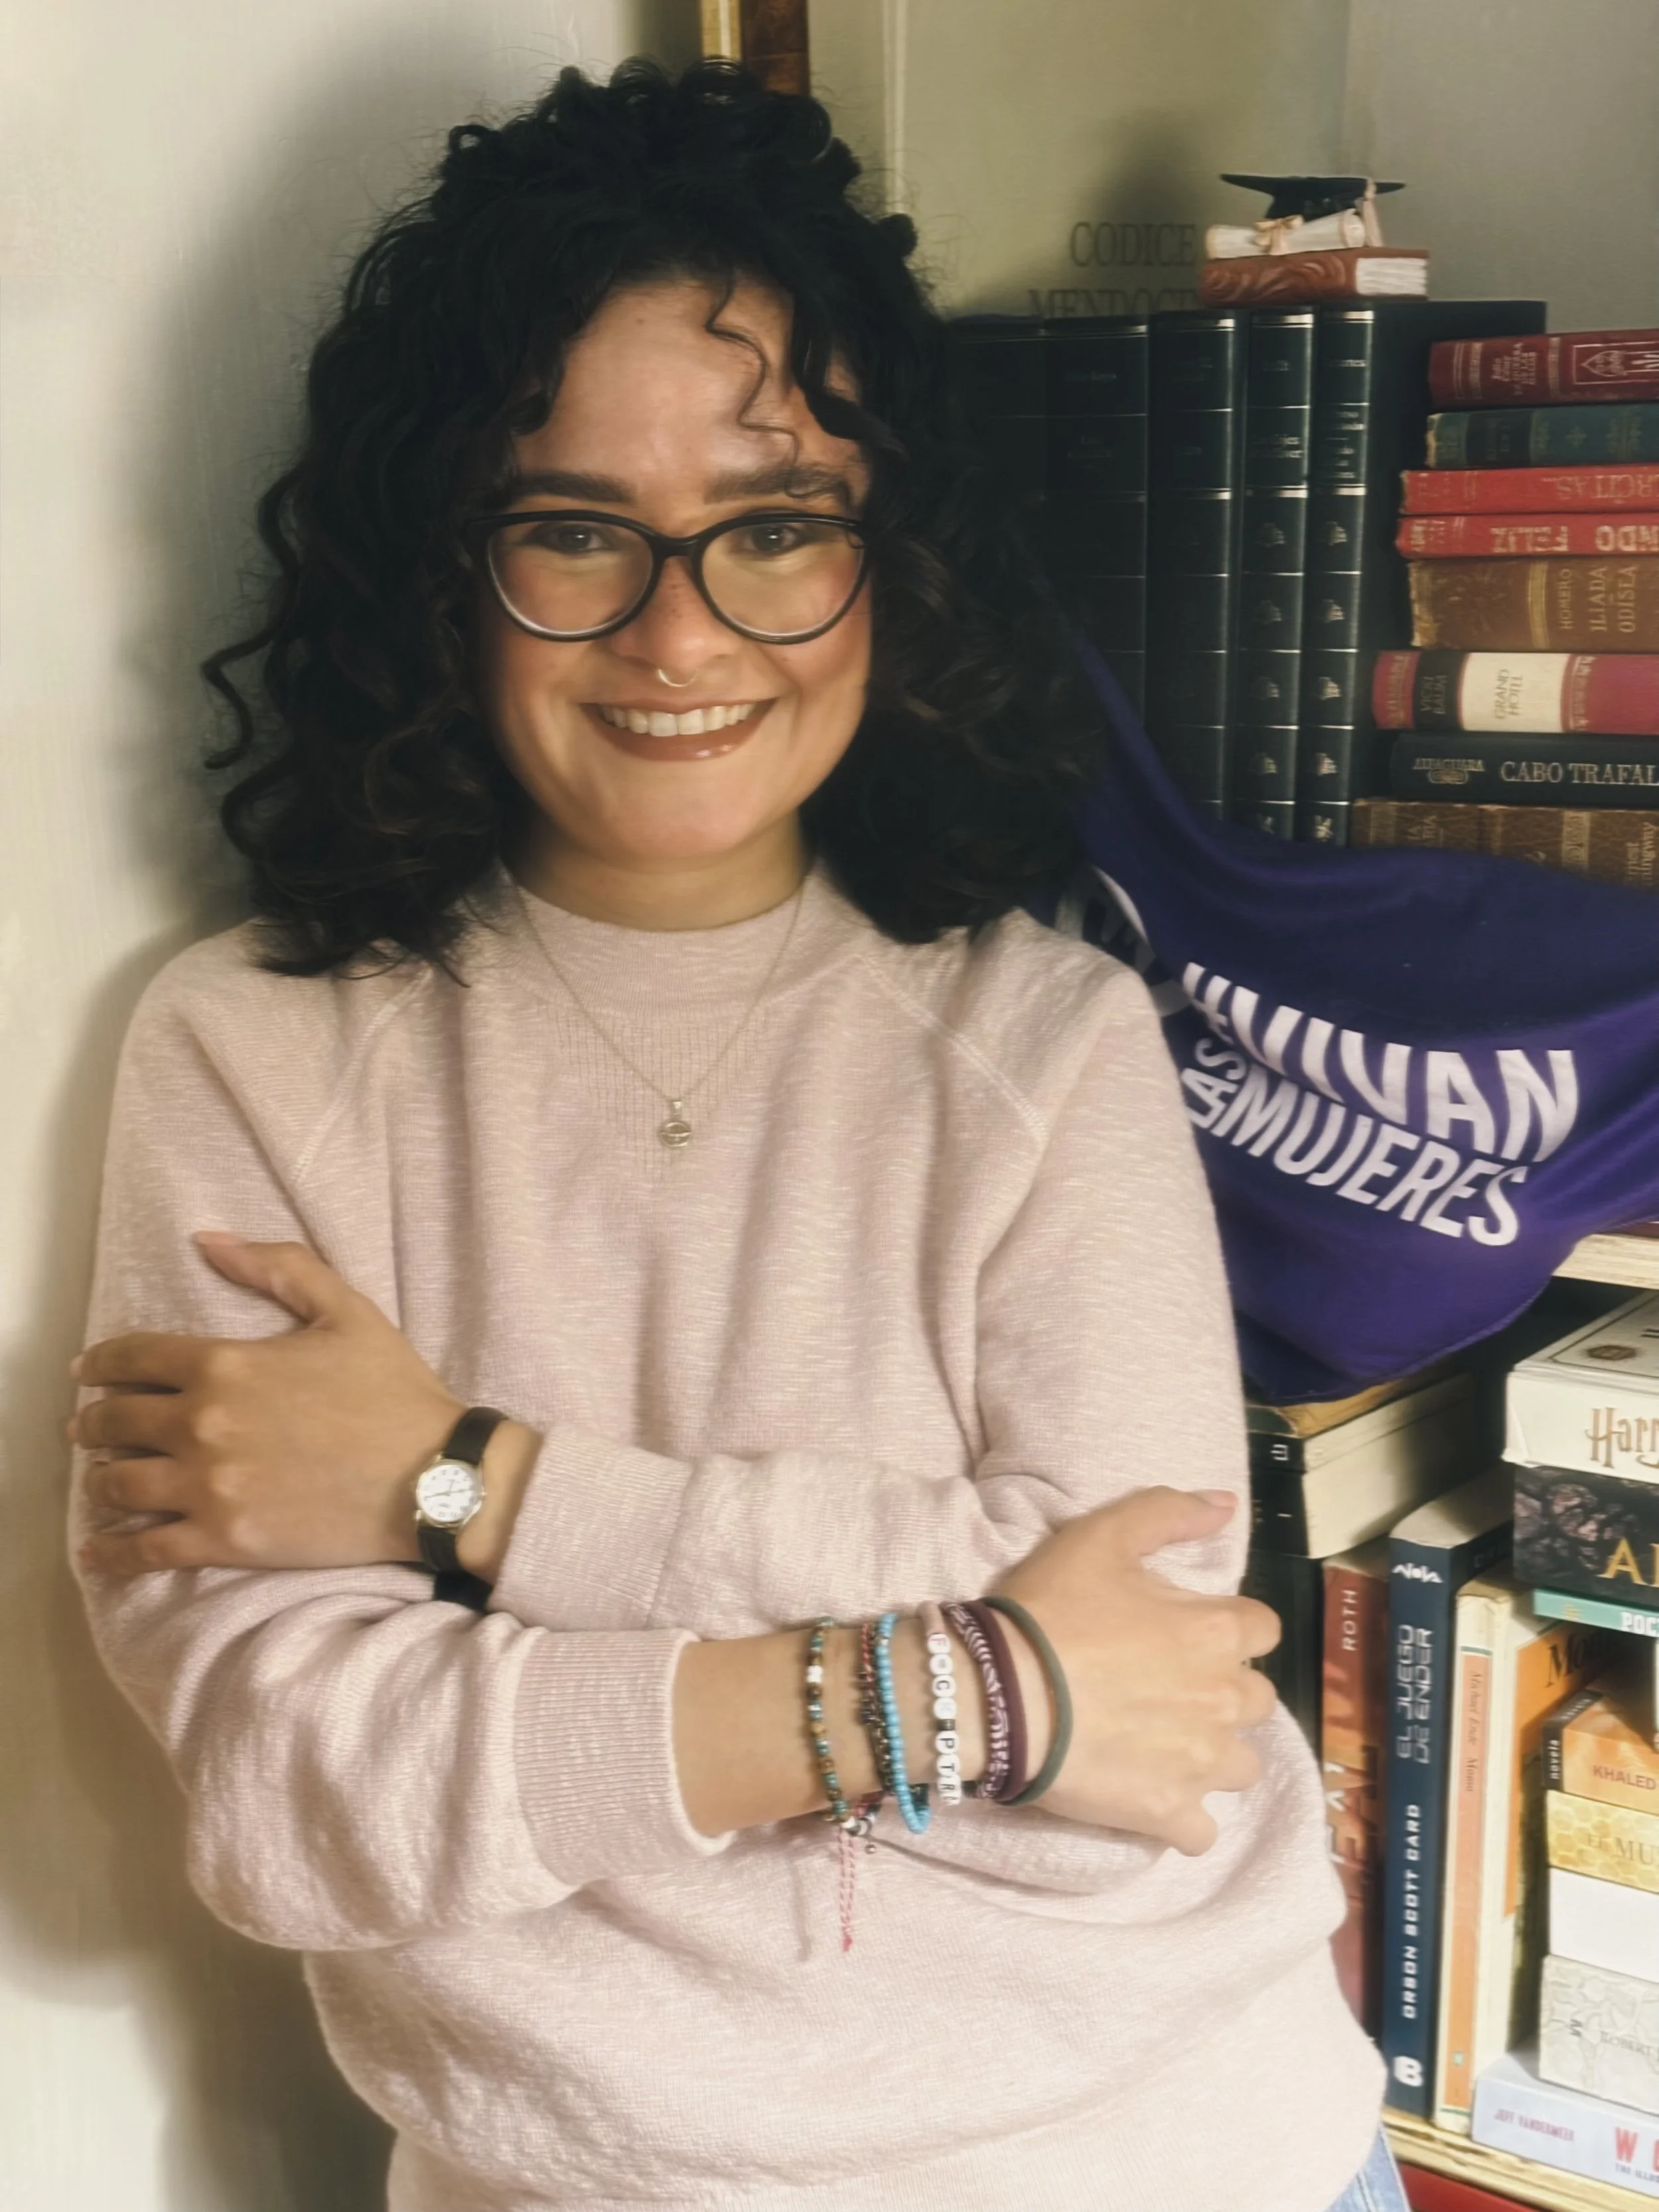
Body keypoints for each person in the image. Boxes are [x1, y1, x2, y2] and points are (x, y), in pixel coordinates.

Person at [69, 56, 1394, 2212]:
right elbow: (293, 1798)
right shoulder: (254, 1056)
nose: (679, 633)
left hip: (1193, 2147)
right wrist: (972, 1678)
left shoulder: (1042, 1028)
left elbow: (1140, 1663)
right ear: (440, 566)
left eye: (772, 522)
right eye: (574, 529)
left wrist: (465, 1484)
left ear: (888, 561)